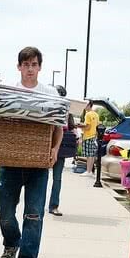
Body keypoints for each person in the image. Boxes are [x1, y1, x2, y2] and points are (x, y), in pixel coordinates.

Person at [0, 46, 63, 258]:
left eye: (34, 64)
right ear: (19, 66)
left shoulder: (49, 93)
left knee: (34, 214)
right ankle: (11, 243)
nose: (30, 69)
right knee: (5, 211)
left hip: (38, 165)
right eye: (26, 64)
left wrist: (54, 149)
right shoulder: (8, 92)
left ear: (40, 67)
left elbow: (58, 125)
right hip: (10, 162)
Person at [48, 84, 78, 216]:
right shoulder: (50, 106)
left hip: (58, 146)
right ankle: (51, 206)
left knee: (55, 178)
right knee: (50, 178)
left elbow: (71, 126)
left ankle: (53, 206)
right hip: (49, 144)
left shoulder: (66, 109)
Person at [77, 101, 100, 176]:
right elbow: (96, 126)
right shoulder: (96, 114)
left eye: (85, 105)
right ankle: (91, 171)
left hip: (88, 136)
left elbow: (87, 126)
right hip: (93, 136)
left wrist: (78, 125)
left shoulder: (87, 114)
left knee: (88, 155)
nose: (84, 106)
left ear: (89, 105)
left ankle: (88, 171)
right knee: (92, 155)